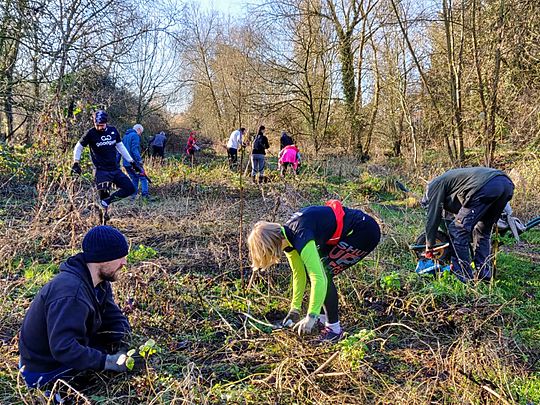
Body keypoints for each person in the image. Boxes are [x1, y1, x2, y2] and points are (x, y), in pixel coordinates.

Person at [247, 200, 381, 342]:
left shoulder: (300, 235)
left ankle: (334, 330)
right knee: (318, 270)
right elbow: (299, 274)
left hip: (364, 232)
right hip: (346, 234)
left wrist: (311, 315)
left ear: (272, 246)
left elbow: (318, 277)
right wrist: (295, 309)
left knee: (324, 273)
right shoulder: (286, 237)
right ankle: (323, 321)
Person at [19, 226, 132, 388]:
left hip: (60, 355)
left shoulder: (98, 282)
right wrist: (108, 361)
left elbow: (113, 318)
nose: (124, 263)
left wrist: (124, 342)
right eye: (120, 257)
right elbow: (64, 348)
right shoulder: (71, 294)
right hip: (43, 370)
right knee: (102, 381)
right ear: (104, 259)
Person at [422, 167, 514, 282]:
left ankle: (464, 277)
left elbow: (433, 216)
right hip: (506, 184)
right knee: (482, 231)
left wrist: (429, 245)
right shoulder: (451, 181)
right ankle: (484, 275)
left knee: (457, 229)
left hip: (485, 186)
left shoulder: (434, 185)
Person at [72, 111, 139, 212]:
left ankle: (108, 201)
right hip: (101, 171)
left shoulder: (113, 131)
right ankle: (103, 220)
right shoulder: (91, 133)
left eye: (102, 125)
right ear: (94, 123)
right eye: (97, 125)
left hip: (115, 169)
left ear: (106, 123)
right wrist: (76, 162)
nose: (100, 127)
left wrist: (132, 162)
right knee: (104, 196)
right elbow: (79, 147)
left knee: (130, 189)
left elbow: (120, 147)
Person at [122, 124, 149, 201]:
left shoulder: (125, 136)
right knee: (143, 178)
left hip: (126, 163)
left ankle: (133, 196)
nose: (140, 134)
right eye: (141, 132)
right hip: (134, 163)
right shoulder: (135, 136)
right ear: (139, 129)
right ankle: (145, 195)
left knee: (134, 178)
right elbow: (134, 149)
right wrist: (139, 160)